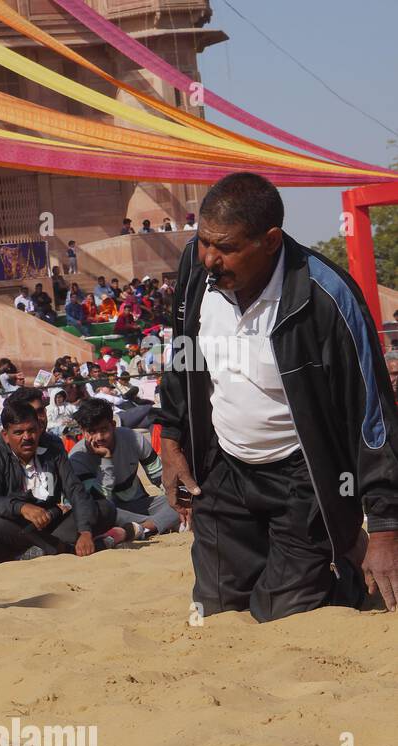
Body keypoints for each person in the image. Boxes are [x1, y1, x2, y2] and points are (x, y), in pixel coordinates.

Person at [158, 172, 398, 621]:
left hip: (303, 481)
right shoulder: (196, 267)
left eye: (225, 247)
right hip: (224, 471)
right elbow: (182, 355)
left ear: (270, 242)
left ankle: (341, 551)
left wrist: (384, 527)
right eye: (204, 241)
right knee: (216, 610)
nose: (209, 258)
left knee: (281, 614)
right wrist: (171, 441)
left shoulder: (327, 298)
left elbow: (373, 415)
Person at [0, 402, 120, 563]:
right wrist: (20, 508)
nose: (27, 437)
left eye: (31, 430)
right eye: (18, 432)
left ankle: (45, 550)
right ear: (5, 435)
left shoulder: (53, 450)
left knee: (105, 509)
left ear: (38, 429)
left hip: (48, 527)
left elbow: (75, 490)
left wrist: (85, 531)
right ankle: (62, 549)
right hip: (14, 530)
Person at [69, 399, 179, 541]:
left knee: (179, 500)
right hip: (109, 512)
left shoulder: (134, 439)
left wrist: (175, 500)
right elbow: (99, 501)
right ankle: (160, 524)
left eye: (103, 429)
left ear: (113, 425)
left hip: (138, 504)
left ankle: (140, 529)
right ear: (83, 432)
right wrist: (106, 460)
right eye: (92, 432)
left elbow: (159, 476)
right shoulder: (77, 457)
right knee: (100, 512)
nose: (99, 437)